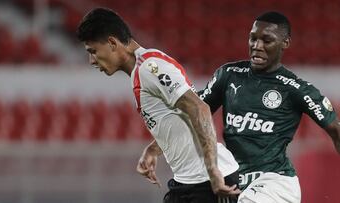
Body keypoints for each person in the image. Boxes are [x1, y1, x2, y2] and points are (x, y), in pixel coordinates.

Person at [76, 7, 240, 203]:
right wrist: (153, 149)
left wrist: (213, 171)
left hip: (209, 182)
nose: (91, 60)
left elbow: (199, 108)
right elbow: (180, 117)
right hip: (189, 182)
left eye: (93, 51)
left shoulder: (150, 68)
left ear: (112, 42)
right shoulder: (142, 67)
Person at [197, 11, 340, 202]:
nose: (257, 46)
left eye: (267, 40)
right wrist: (154, 150)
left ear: (285, 43)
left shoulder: (295, 88)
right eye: (253, 39)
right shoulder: (229, 75)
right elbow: (193, 112)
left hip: (275, 183)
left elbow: (335, 130)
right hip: (234, 182)